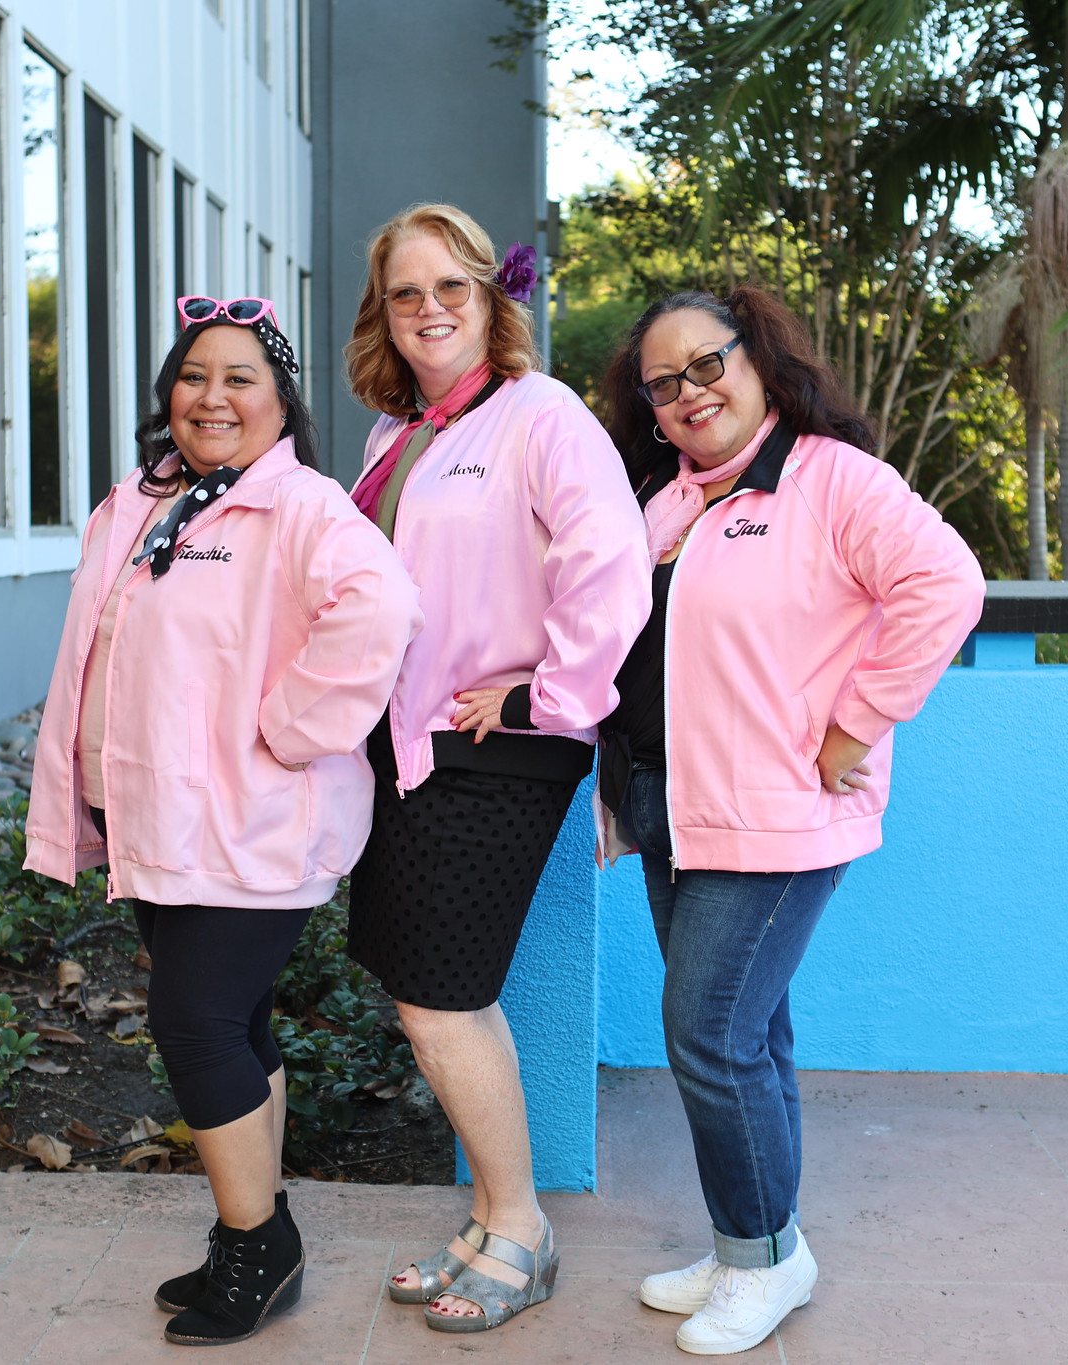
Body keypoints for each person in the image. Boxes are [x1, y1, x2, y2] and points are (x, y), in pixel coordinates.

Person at [25, 297, 422, 1348]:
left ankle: (256, 1245)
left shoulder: (300, 509)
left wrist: (290, 729)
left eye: (240, 377)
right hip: (156, 813)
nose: (212, 397)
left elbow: (379, 608)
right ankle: (258, 1228)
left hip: (249, 821)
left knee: (192, 1024)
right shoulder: (147, 501)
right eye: (195, 375)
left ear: (279, 399)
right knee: (235, 1023)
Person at [597, 287, 984, 1356]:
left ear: (757, 358)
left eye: (705, 364)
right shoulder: (666, 501)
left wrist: (854, 728)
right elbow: (630, 653)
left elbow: (944, 583)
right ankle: (754, 1245)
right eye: (661, 383)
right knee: (747, 1037)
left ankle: (762, 1259)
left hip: (778, 817)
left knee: (708, 1037)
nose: (687, 394)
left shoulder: (827, 479)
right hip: (673, 807)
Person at [340, 203, 651, 1332]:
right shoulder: (393, 434)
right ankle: (484, 1217)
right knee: (438, 995)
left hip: (498, 750)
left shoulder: (541, 415)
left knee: (440, 1000)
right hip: (408, 749)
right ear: (384, 311)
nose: (428, 310)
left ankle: (521, 1227)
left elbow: (610, 572)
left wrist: (541, 697)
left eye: (450, 288)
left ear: (490, 300)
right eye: (405, 293)